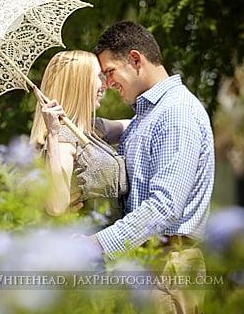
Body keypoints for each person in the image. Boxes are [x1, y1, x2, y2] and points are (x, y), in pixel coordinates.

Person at [85, 21, 215, 313]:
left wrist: (98, 243)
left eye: (109, 73)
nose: (106, 84)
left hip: (167, 267)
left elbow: (165, 207)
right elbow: (128, 134)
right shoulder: (152, 114)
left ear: (134, 59)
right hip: (151, 267)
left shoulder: (176, 113)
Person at [29, 50, 130, 224]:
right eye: (99, 76)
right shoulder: (62, 139)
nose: (105, 84)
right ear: (79, 82)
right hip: (89, 243)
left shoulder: (94, 128)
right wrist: (53, 134)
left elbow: (137, 123)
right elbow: (56, 207)